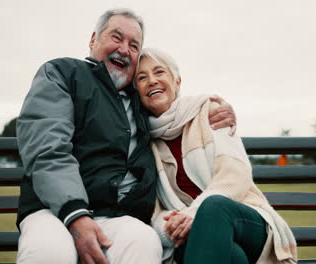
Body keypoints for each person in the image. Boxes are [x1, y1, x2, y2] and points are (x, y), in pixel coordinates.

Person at [15, 8, 236, 264]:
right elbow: (47, 149)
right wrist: (75, 214)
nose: (124, 49)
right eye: (116, 37)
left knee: (143, 241)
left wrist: (214, 109)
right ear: (93, 39)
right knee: (51, 252)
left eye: (134, 45)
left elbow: (174, 109)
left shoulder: (139, 98)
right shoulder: (62, 73)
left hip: (115, 217)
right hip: (53, 211)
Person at [134, 48, 298, 264]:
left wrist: (194, 213)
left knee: (213, 208)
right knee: (231, 257)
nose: (152, 80)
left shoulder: (208, 111)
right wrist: (168, 228)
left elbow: (235, 176)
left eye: (159, 72)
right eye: (142, 77)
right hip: (194, 238)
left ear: (177, 82)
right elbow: (153, 209)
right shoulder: (143, 142)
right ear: (136, 91)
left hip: (243, 221)